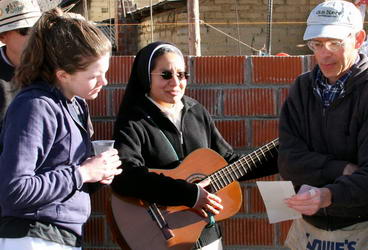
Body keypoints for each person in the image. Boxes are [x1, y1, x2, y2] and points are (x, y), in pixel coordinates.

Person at [111, 41, 278, 249]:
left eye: (181, 75)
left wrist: (284, 153)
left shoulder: (196, 112)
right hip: (162, 236)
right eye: (166, 75)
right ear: (146, 77)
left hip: (206, 234)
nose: (175, 83)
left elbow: (228, 163)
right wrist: (190, 194)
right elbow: (125, 177)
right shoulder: (133, 121)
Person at [0, 8, 122, 250]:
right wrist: (83, 173)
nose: (104, 82)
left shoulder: (76, 105)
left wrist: (97, 174)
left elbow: (60, 175)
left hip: (60, 236)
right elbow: (15, 190)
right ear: (63, 75)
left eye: (105, 73)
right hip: (32, 237)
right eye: (94, 76)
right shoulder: (35, 106)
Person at [278, 0, 368, 248]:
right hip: (308, 228)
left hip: (360, 228)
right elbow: (288, 160)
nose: (324, 53)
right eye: (316, 44)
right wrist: (341, 169)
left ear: (359, 39)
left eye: (334, 43)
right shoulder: (302, 87)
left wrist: (329, 195)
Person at [0, 0, 42, 132]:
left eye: (39, 29)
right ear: (2, 36)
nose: (35, 36)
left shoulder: (54, 67)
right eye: (25, 30)